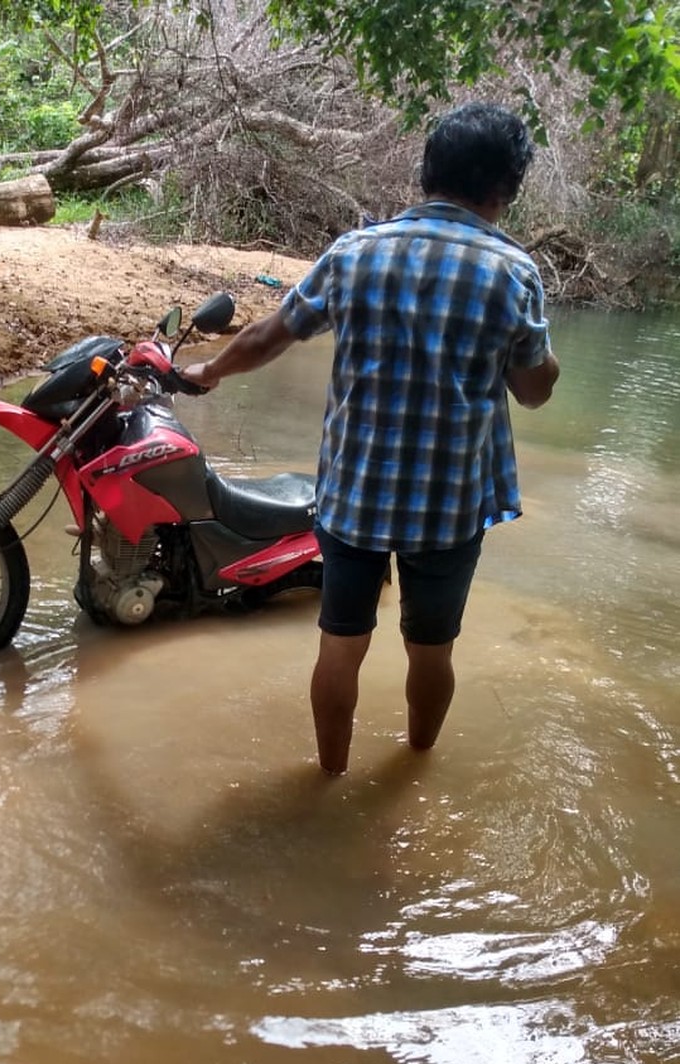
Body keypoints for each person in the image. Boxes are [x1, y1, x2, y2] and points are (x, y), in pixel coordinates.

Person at [181, 102, 560, 775]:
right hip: (447, 506)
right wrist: (537, 358)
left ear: (427, 172)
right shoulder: (511, 272)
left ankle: (329, 773)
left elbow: (272, 335)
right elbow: (533, 391)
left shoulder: (355, 252)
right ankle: (414, 765)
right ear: (505, 189)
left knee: (341, 640)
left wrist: (210, 370)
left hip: (354, 495)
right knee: (433, 649)